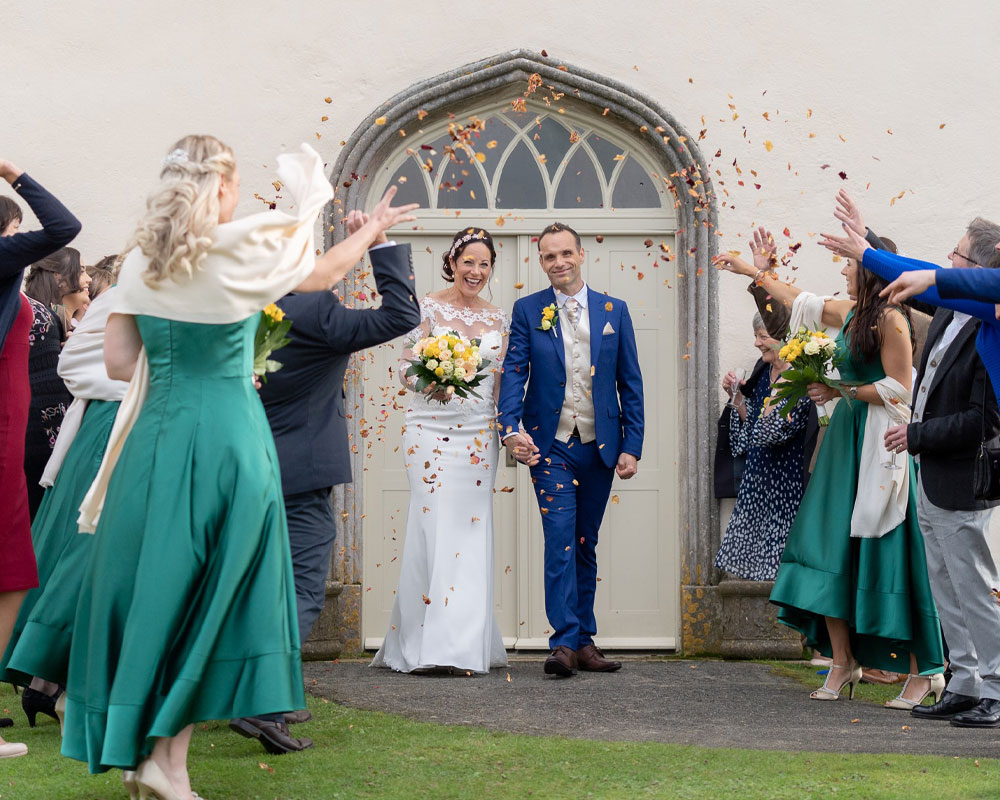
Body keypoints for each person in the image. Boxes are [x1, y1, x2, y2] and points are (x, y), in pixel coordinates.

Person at [61, 136, 416, 799]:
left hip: (154, 441)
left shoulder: (142, 261)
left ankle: (160, 763)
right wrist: (372, 233)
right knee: (218, 598)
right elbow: (318, 274)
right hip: (229, 438)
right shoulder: (239, 250)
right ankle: (166, 765)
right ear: (221, 187)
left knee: (164, 595)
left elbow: (115, 364)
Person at [716, 229, 945, 707]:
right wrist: (755, 272)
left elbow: (902, 390)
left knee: (892, 554)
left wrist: (838, 390)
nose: (843, 270)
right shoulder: (855, 312)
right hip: (843, 444)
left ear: (871, 270)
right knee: (825, 546)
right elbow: (801, 302)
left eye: (849, 264)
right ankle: (843, 660)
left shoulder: (893, 322)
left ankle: (924, 668)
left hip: (880, 444)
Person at [231, 211, 420, 748]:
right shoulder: (315, 312)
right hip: (300, 477)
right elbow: (401, 315)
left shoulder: (234, 309)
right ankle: (262, 703)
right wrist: (381, 241)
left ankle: (262, 692)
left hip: (241, 466)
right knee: (302, 586)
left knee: (252, 586)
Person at [822, 206, 1000, 724]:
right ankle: (965, 682)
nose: (947, 261)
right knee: (946, 582)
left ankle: (994, 686)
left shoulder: (989, 314)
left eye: (959, 255)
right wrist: (866, 245)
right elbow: (920, 279)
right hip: (934, 474)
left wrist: (916, 435)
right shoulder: (955, 306)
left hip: (967, 475)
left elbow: (983, 421)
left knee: (974, 585)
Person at [497, 222, 644, 677]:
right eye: (548, 257)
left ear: (581, 255)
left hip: (599, 447)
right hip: (550, 446)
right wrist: (509, 429)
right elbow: (514, 371)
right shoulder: (528, 310)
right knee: (559, 538)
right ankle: (563, 642)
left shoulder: (613, 310)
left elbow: (630, 383)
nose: (557, 262)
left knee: (585, 542)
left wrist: (631, 446)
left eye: (565, 254)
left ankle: (584, 641)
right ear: (540, 262)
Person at [372, 227, 509, 675]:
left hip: (476, 435)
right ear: (452, 262)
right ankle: (419, 642)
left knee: (469, 530)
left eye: (484, 263)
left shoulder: (498, 319)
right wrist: (433, 382)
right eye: (468, 261)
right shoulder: (426, 308)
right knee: (432, 526)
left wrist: (510, 431)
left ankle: (459, 648)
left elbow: (502, 387)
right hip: (428, 429)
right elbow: (404, 371)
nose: (476, 271)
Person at [0, 284, 128, 728]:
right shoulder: (121, 297)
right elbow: (72, 364)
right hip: (106, 432)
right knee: (84, 552)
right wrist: (137, 383)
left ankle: (50, 683)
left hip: (137, 425)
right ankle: (53, 680)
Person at [0, 159, 81, 758]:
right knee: (10, 570)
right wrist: (13, 172)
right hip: (4, 426)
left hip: (16, 425)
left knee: (12, 570)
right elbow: (64, 225)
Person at [714, 312, 813, 581]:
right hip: (758, 482)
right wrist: (736, 397)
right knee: (752, 567)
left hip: (786, 485)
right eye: (755, 336)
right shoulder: (764, 370)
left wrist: (766, 405)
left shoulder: (801, 377)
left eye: (763, 336)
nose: (757, 343)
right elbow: (752, 427)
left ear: (785, 337)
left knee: (782, 569)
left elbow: (772, 433)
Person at [23, 251, 86, 518]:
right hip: (38, 433)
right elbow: (48, 392)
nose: (88, 277)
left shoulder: (40, 312)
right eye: (81, 270)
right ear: (60, 278)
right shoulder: (41, 315)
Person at [24, 246, 92, 332]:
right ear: (57, 276)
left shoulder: (48, 316)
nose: (90, 279)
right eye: (81, 271)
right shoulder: (39, 317)